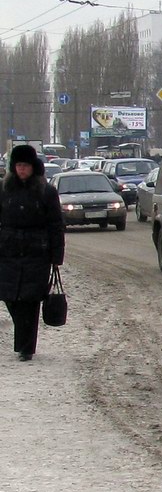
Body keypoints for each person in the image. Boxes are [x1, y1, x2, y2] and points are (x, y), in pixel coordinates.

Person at [0, 144, 65, 361]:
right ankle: (24, 338)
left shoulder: (46, 191)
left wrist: (57, 257)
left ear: (33, 167)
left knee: (30, 299)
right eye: (18, 165)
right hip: (8, 251)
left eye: (25, 165)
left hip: (37, 252)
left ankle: (26, 348)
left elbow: (56, 224)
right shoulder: (4, 189)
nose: (21, 169)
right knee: (10, 297)